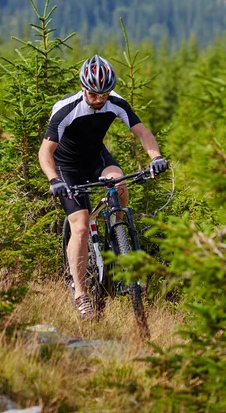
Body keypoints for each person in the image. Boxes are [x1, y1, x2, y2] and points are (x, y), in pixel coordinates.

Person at [38, 54, 168, 320]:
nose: (100, 99)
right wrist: (54, 180)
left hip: (96, 157)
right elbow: (45, 152)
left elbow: (143, 132)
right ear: (84, 88)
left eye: (105, 94)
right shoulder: (66, 108)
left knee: (119, 184)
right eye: (95, 94)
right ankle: (81, 295)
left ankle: (117, 237)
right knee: (82, 226)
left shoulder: (116, 102)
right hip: (67, 167)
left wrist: (155, 158)